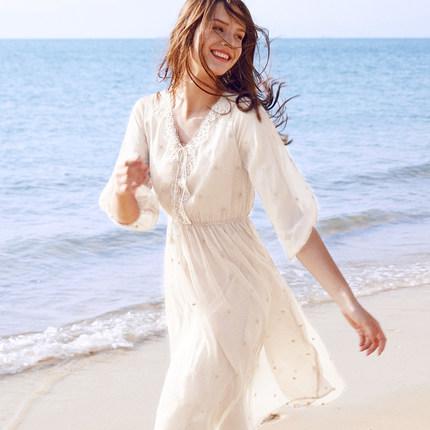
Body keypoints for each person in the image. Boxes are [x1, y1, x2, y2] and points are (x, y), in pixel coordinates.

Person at [98, 0, 387, 428]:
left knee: (180, 413)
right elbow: (130, 216)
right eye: (219, 28)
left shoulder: (244, 117)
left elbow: (293, 222)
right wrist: (125, 188)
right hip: (184, 288)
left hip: (239, 287)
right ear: (189, 29)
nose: (229, 43)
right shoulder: (147, 113)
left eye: (239, 36)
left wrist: (348, 302)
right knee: (225, 417)